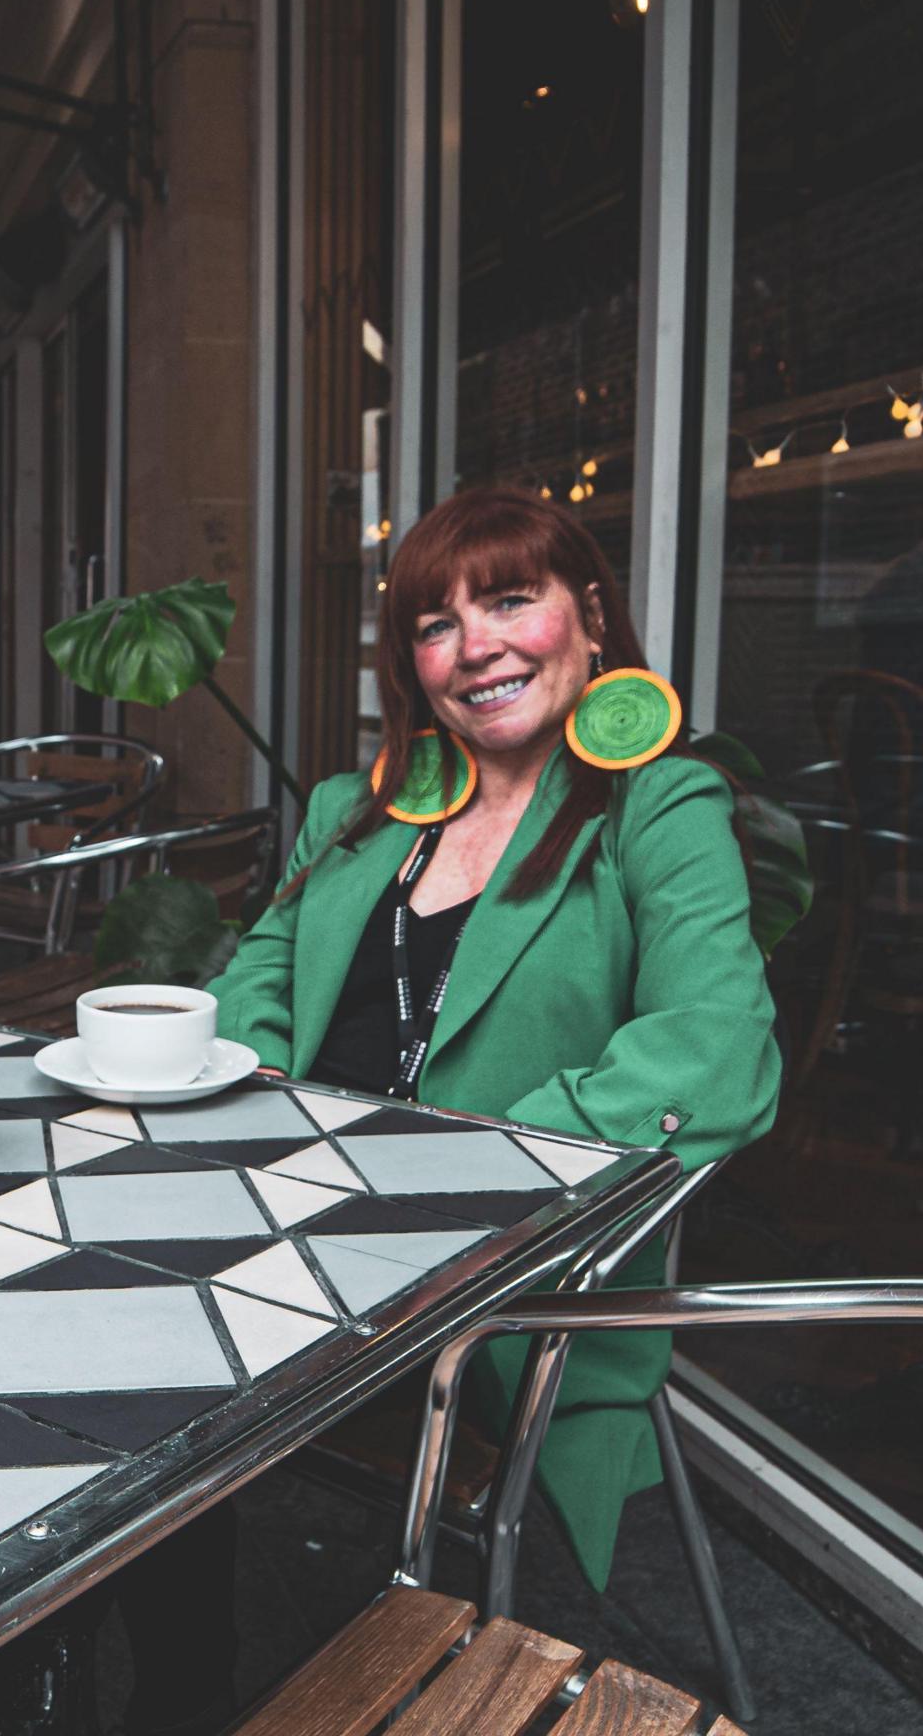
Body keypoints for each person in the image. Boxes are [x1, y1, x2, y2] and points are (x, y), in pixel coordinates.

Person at [210, 481, 779, 1590]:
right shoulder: (357, 809)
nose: (475, 648)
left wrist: (450, 1181)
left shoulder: (656, 807)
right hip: (296, 1232)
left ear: (593, 618)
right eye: (436, 625)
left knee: (153, 1368)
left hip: (502, 1294)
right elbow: (255, 987)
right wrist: (284, 1132)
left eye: (511, 601)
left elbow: (717, 1050)